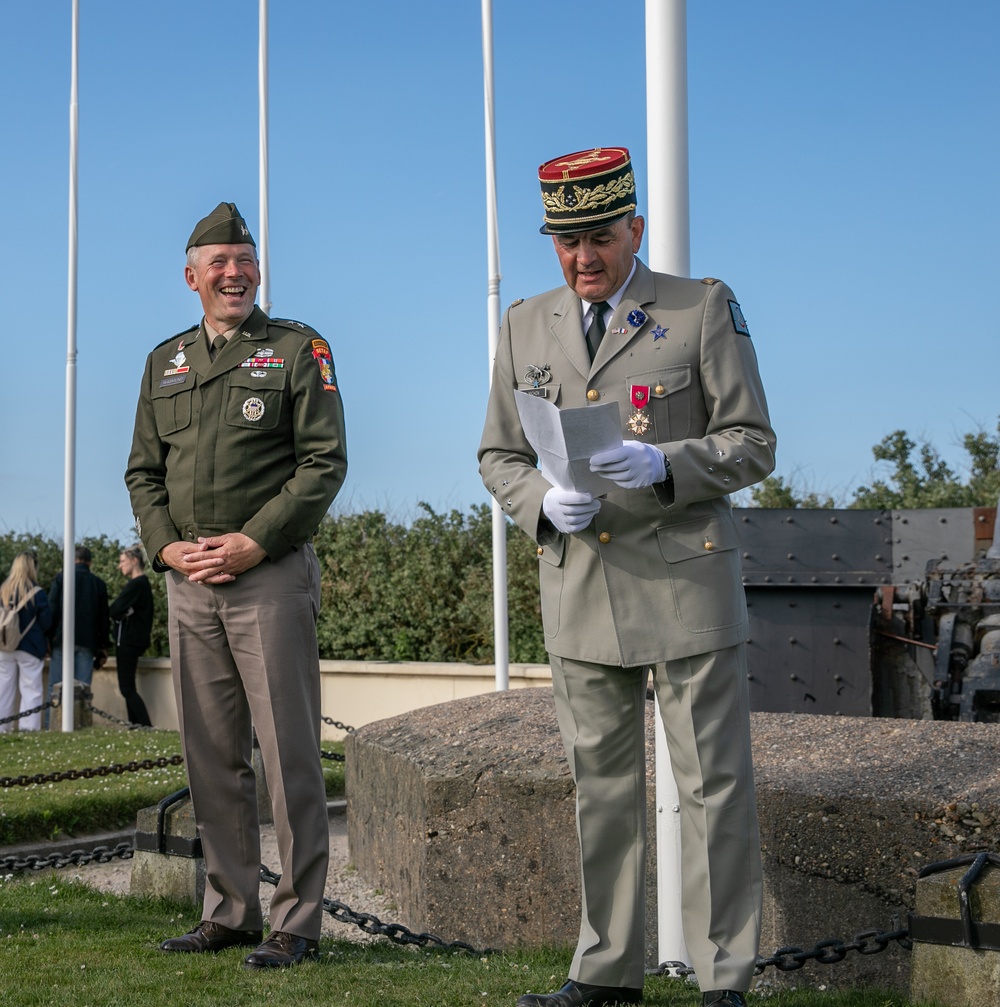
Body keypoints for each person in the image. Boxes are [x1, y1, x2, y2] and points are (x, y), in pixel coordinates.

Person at [478, 148, 776, 1007]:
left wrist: (666, 462)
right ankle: (607, 970)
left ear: (633, 229)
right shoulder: (523, 326)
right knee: (601, 790)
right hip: (580, 583)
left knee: (713, 789)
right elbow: (497, 451)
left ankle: (724, 980)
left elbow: (752, 441)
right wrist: (536, 500)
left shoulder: (699, 306)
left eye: (598, 237)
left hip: (685, 583)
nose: (581, 257)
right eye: (566, 241)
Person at [124, 201, 347, 969]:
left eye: (244, 260)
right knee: (211, 753)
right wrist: (167, 551)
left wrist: (255, 541)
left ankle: (298, 920)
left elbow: (324, 463)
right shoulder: (165, 363)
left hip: (270, 579)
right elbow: (143, 473)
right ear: (191, 277)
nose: (234, 272)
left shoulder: (297, 350)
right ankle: (230, 908)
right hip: (190, 586)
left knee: (288, 754)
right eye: (218, 262)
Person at [47, 545, 110, 719]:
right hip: (88, 642)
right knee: (83, 688)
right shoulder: (99, 584)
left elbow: (52, 610)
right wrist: (103, 646)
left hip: (61, 640)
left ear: (72, 560)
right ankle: (81, 723)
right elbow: (104, 619)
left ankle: (51, 725)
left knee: (55, 688)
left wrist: (48, 638)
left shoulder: (61, 579)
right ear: (89, 562)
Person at [0, 552, 52, 732]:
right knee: (31, 689)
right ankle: (29, 729)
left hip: (4, 647)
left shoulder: (3, 590)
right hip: (30, 647)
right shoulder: (37, 592)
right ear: (32, 567)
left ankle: (2, 727)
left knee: (3, 690)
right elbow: (46, 622)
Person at [109, 545, 154, 727]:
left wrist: (120, 613)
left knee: (126, 687)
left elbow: (114, 610)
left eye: (122, 561)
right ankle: (136, 725)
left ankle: (144, 725)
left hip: (128, 641)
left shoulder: (137, 584)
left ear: (134, 561)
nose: (120, 566)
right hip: (132, 640)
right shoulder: (142, 584)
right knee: (128, 687)